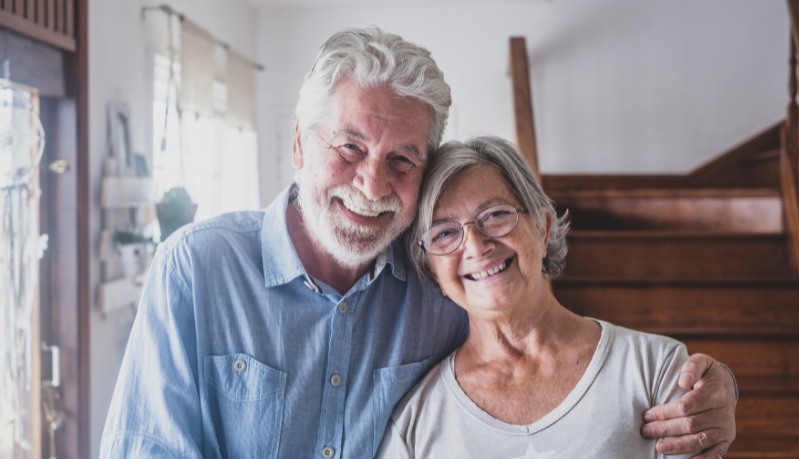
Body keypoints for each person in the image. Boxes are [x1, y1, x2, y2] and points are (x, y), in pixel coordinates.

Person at [101, 27, 737, 458]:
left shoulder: (441, 287)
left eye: (403, 159)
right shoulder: (198, 269)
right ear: (299, 144)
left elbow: (571, 357)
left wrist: (721, 388)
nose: (372, 182)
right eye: (349, 147)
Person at [376, 136, 718, 459]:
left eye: (495, 215)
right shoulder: (415, 425)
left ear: (542, 228)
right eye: (445, 233)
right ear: (432, 268)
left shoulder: (654, 370)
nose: (477, 246)